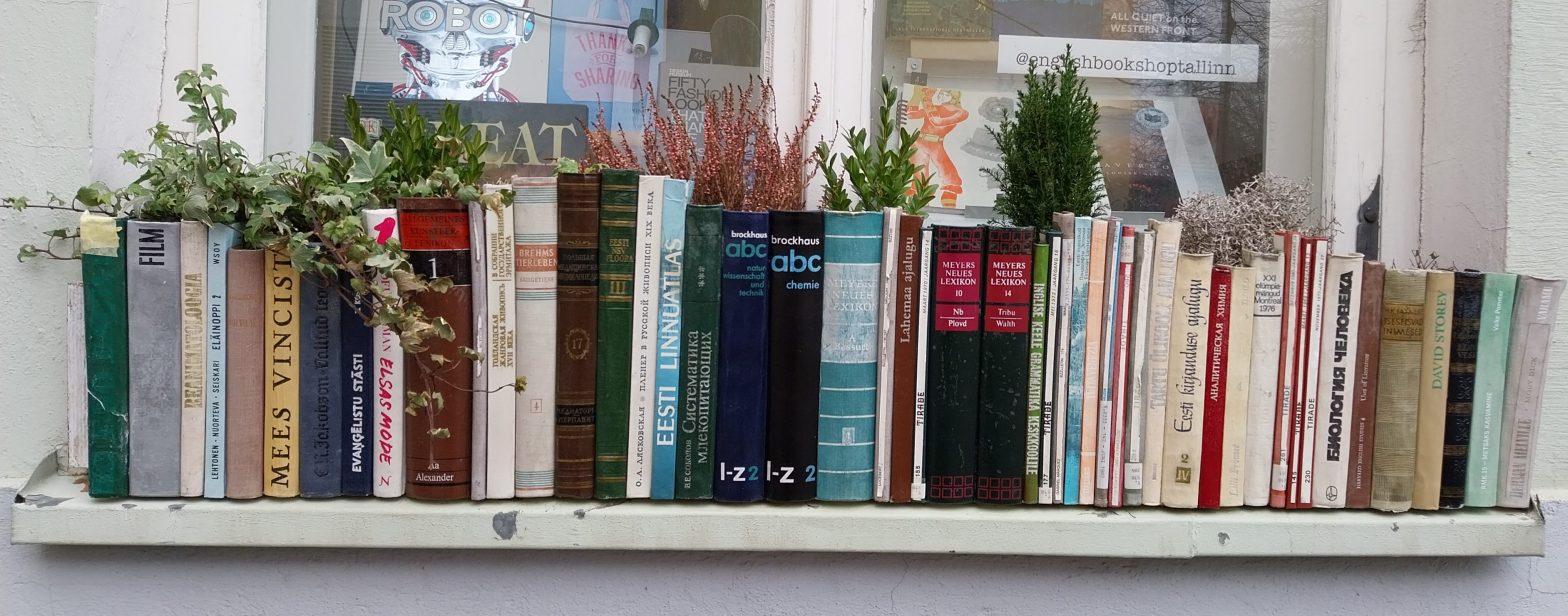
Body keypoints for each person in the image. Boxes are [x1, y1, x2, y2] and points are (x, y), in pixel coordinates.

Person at [906, 87, 970, 208]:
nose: (941, 96)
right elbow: (911, 115)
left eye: (945, 94)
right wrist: (916, 96)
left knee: (946, 168)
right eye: (940, 93)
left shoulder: (961, 112)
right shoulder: (934, 107)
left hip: (936, 143)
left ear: (954, 97)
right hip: (920, 141)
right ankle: (920, 198)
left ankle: (949, 195)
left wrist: (927, 101)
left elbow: (938, 121)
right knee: (919, 170)